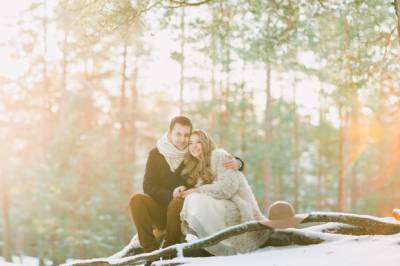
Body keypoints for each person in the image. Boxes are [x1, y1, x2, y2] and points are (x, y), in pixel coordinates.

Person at [128, 116, 244, 253]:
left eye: (186, 135)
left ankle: (170, 248)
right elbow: (148, 186)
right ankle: (150, 251)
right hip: (161, 208)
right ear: (170, 132)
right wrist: (171, 194)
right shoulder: (156, 154)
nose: (183, 139)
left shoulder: (192, 152)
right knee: (136, 200)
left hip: (181, 210)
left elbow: (213, 155)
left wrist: (239, 162)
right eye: (178, 134)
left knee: (177, 203)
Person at [179, 129, 270, 256]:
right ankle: (197, 237)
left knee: (194, 198)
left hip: (236, 204)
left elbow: (228, 187)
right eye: (190, 143)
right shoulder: (197, 165)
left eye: (198, 142)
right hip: (222, 202)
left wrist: (198, 190)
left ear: (205, 143)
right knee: (192, 198)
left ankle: (194, 236)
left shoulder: (219, 155)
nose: (194, 146)